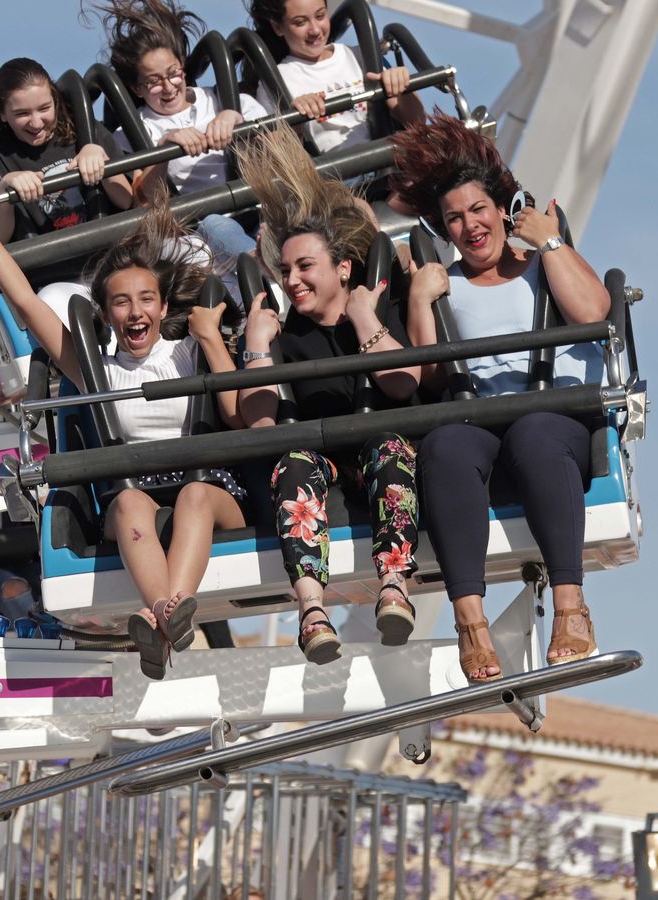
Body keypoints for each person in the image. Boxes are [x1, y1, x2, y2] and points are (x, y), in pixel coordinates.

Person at [0, 151, 246, 679]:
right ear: (104, 315)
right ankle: (168, 612)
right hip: (136, 491)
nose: (136, 312)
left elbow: (240, 408)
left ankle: (162, 614)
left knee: (191, 496)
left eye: (147, 299)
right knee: (125, 506)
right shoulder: (93, 367)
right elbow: (28, 302)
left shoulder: (187, 349)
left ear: (164, 308)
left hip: (207, 487)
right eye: (121, 303)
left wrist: (215, 336)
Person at [392, 115, 611, 683]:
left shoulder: (543, 263)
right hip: (481, 419)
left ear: (502, 209)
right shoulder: (448, 285)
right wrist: (420, 299)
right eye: (454, 219)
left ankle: (571, 607)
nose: (469, 226)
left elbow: (592, 311)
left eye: (478, 211)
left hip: (551, 416)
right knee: (443, 446)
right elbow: (428, 375)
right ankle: (471, 624)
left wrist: (551, 240)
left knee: (536, 433)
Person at [234, 129, 423, 664]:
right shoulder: (285, 336)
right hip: (322, 456)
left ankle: (394, 586)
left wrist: (363, 318)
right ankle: (312, 610)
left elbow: (404, 382)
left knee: (389, 451)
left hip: (378, 446)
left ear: (342, 267)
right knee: (293, 464)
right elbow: (261, 421)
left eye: (305, 267)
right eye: (286, 270)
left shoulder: (378, 308)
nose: (293, 280)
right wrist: (255, 345)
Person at [93, 0, 267, 299]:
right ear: (137, 89)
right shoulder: (131, 135)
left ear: (183, 69)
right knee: (216, 225)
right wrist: (164, 149)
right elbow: (141, 200)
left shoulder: (223, 100)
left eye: (173, 73)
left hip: (255, 207)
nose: (169, 86)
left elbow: (279, 149)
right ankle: (264, 267)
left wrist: (236, 121)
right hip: (193, 228)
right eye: (154, 81)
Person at [0, 57, 133, 243]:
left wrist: (100, 157)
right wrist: (4, 188)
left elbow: (126, 201)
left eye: (44, 108)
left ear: (55, 102)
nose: (36, 123)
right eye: (22, 114)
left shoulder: (84, 129)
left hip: (110, 248)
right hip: (50, 263)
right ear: (3, 113)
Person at [246, 0, 423, 155]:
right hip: (339, 179)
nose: (315, 30)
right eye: (300, 23)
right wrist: (296, 122)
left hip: (391, 160)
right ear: (278, 27)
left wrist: (401, 87)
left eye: (320, 16)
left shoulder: (360, 55)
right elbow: (277, 157)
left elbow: (416, 121)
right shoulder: (277, 80)